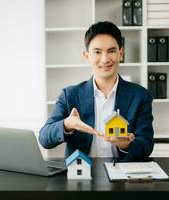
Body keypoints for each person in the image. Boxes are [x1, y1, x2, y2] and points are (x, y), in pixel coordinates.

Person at [39, 21, 154, 161]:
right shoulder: (70, 95)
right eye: (97, 52)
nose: (105, 59)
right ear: (87, 56)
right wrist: (67, 125)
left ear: (121, 53)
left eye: (111, 51)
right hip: (82, 175)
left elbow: (146, 145)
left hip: (123, 176)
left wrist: (126, 145)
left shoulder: (140, 96)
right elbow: (44, 139)